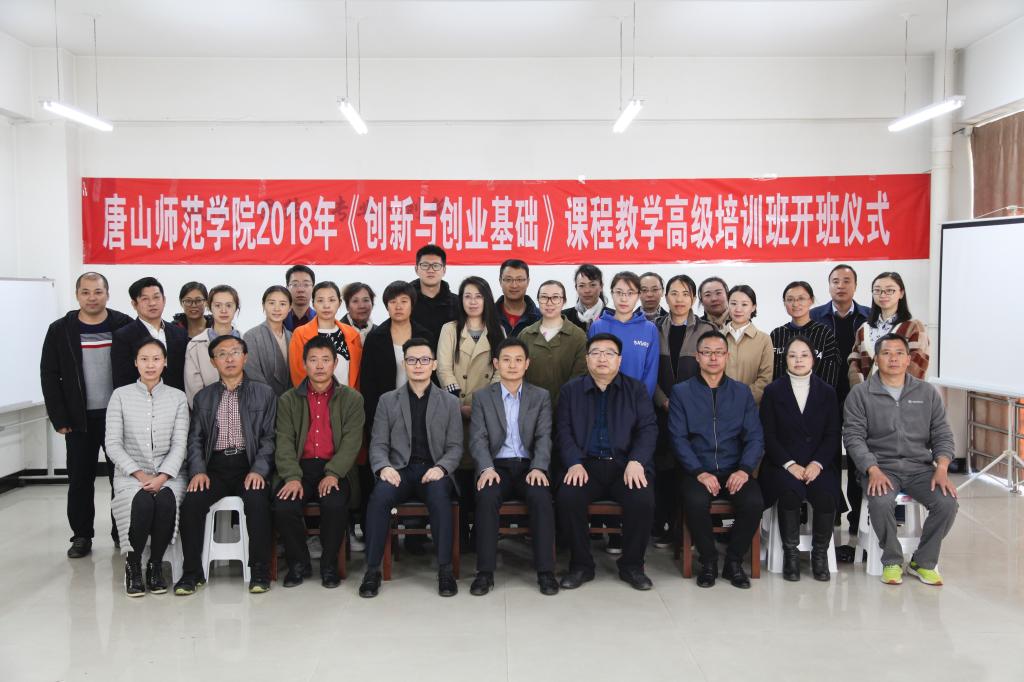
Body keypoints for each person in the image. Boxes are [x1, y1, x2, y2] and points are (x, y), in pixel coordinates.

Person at [843, 333, 958, 586]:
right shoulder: (861, 394)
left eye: (899, 353)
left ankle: (922, 562)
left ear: (908, 359)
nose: (893, 358)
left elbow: (942, 433)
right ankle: (892, 560)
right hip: (880, 467)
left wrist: (942, 467)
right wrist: (871, 469)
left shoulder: (926, 392)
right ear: (876, 359)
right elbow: (853, 437)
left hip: (920, 468)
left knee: (947, 503)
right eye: (886, 353)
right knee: (881, 500)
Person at [359, 338, 463, 598]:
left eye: (424, 360)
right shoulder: (387, 401)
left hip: (433, 469)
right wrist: (383, 467)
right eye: (412, 360)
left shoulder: (450, 402)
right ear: (404, 364)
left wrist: (442, 468)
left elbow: (455, 447)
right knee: (379, 497)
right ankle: (372, 571)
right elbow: (378, 444)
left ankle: (445, 570)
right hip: (399, 470)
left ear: (434, 364)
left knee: (440, 497)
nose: (418, 365)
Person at [174, 335, 277, 596]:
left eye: (235, 352)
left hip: (249, 464)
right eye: (222, 354)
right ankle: (192, 573)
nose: (229, 358)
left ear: (245, 357)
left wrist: (259, 470)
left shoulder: (264, 393)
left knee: (257, 501)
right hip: (215, 467)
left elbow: (270, 437)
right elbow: (195, 439)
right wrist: (198, 471)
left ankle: (260, 571)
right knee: (191, 504)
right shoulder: (204, 397)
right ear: (213, 361)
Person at [40, 272, 133, 558]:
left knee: (121, 478)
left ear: (107, 294)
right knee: (80, 480)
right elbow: (49, 374)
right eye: (86, 292)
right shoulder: (61, 329)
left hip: (117, 417)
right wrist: (59, 417)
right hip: (78, 419)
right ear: (77, 295)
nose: (92, 297)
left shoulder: (123, 325)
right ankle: (81, 535)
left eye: (98, 291)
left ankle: (121, 532)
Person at [555, 333, 658, 591]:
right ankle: (581, 565)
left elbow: (648, 429)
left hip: (625, 465)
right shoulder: (570, 391)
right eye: (596, 353)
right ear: (587, 359)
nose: (602, 358)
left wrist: (637, 461)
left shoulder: (636, 390)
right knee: (568, 497)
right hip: (585, 465)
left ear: (619, 360)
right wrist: (573, 462)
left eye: (609, 353)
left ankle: (632, 565)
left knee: (642, 499)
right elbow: (562, 431)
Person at [670, 330, 765, 589]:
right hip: (697, 470)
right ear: (697, 357)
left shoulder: (741, 392)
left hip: (735, 469)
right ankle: (708, 561)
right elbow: (678, 438)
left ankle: (733, 562)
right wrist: (699, 472)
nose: (713, 358)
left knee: (754, 502)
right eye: (707, 352)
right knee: (695, 501)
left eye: (719, 353)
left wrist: (744, 470)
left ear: (727, 356)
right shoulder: (681, 393)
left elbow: (755, 437)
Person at [469, 338, 558, 596]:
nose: (512, 365)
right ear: (496, 363)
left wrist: (539, 467)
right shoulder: (482, 397)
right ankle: (485, 573)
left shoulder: (540, 396)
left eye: (518, 360)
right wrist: (486, 468)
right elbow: (477, 439)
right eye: (506, 360)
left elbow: (544, 437)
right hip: (496, 466)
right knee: (486, 497)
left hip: (529, 466)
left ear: (527, 364)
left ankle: (546, 572)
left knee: (541, 498)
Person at [274, 336, 365, 588]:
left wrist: (333, 473)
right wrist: (292, 477)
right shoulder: (288, 400)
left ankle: (329, 565)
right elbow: (283, 442)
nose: (320, 365)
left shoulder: (352, 399)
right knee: (283, 506)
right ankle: (299, 563)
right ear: (304, 364)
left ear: (335, 363)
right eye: (313, 360)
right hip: (299, 468)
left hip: (336, 468)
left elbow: (352, 443)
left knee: (334, 505)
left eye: (326, 360)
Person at [104, 338, 189, 596]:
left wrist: (162, 477)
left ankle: (155, 565)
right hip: (131, 475)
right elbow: (113, 444)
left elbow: (180, 444)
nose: (150, 365)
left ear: (165, 362)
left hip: (169, 474)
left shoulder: (177, 397)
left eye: (156, 359)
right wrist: (141, 475)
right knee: (141, 502)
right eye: (144, 359)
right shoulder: (120, 396)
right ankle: (133, 564)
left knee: (165, 501)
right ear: (135, 363)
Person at [759, 336, 844, 582]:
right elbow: (768, 435)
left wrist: (817, 464)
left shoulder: (827, 392)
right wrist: (790, 465)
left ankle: (819, 556)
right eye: (792, 355)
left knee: (827, 496)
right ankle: (791, 555)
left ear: (813, 359)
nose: (798, 360)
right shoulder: (773, 391)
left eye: (804, 355)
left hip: (818, 464)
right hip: (782, 464)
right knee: (789, 494)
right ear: (785, 359)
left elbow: (832, 434)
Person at [357, 281, 431, 548]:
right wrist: (374, 419)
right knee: (386, 472)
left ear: (412, 304)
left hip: (420, 410)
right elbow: (368, 383)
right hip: (386, 414)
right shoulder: (376, 337)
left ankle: (415, 536)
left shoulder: (424, 334)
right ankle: (377, 535)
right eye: (392, 302)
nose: (398, 306)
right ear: (386, 305)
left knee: (418, 465)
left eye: (404, 301)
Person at [437, 276, 505, 530]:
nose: (473, 301)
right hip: (454, 408)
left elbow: (500, 374)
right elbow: (444, 370)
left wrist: (478, 406)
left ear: (486, 299)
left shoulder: (498, 331)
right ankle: (459, 531)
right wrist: (457, 403)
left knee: (483, 465)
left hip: (486, 411)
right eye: (467, 296)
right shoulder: (450, 329)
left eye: (478, 296)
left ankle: (480, 530)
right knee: (458, 468)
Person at [651, 274, 714, 547]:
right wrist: (663, 401)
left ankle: (683, 530)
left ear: (694, 298)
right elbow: (649, 372)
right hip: (661, 411)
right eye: (674, 293)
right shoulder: (654, 328)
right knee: (663, 470)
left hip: (695, 414)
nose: (679, 299)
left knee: (688, 470)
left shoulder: (706, 329)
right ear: (666, 297)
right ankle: (664, 524)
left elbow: (711, 370)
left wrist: (688, 405)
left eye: (685, 294)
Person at [809, 264, 871, 539]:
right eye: (835, 281)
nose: (841, 286)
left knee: (859, 456)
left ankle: (858, 516)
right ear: (829, 285)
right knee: (828, 455)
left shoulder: (869, 317)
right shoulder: (815, 316)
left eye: (846, 281)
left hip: (861, 398)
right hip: (825, 397)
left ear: (855, 286)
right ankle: (830, 511)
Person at [849, 271, 929, 386]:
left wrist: (888, 390)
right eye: (877, 290)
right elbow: (855, 362)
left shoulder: (914, 327)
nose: (882, 295)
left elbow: (916, 364)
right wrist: (860, 390)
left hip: (902, 394)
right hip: (865, 394)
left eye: (890, 290)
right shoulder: (864, 328)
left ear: (901, 293)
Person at [587, 271, 659, 397]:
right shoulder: (597, 327)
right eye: (619, 292)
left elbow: (651, 372)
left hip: (637, 401)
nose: (624, 299)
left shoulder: (649, 329)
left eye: (630, 293)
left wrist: (641, 402)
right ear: (612, 293)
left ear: (638, 295)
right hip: (602, 399)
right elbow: (591, 367)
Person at [519, 280, 588, 410]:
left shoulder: (578, 336)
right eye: (544, 297)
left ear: (564, 301)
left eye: (555, 297)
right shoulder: (526, 335)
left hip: (567, 409)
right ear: (538, 300)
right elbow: (518, 375)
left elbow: (580, 377)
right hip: (531, 409)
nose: (549, 303)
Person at [111, 276, 188, 391]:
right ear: (134, 304)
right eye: (145, 299)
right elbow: (122, 380)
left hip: (176, 399)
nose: (152, 303)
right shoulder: (123, 336)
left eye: (156, 297)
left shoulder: (179, 333)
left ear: (164, 300)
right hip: (140, 399)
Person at [288, 281, 363, 389]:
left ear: (339, 303)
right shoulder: (300, 334)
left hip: (348, 397)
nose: (326, 305)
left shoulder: (352, 334)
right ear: (313, 304)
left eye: (331, 300)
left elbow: (358, 375)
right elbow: (298, 375)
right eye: (320, 300)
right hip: (313, 398)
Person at [768, 281, 840, 390]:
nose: (795, 304)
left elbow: (830, 376)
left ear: (811, 300)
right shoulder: (777, 334)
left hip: (816, 397)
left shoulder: (824, 334)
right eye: (790, 299)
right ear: (784, 303)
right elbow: (770, 373)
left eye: (801, 298)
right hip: (780, 397)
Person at [184, 284, 242, 408]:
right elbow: (194, 392)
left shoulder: (246, 341)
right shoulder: (195, 345)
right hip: (207, 415)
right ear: (209, 307)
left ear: (236, 308)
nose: (223, 310)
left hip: (243, 413)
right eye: (218, 305)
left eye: (229, 305)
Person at [721, 284, 773, 404]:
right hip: (719, 406)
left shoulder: (764, 340)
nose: (738, 309)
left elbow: (765, 379)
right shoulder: (717, 337)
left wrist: (742, 400)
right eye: (733, 303)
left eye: (744, 304)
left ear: (753, 307)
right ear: (727, 305)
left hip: (750, 407)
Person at [242, 285, 293, 397]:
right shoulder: (251, 336)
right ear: (263, 305)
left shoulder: (293, 336)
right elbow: (253, 374)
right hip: (263, 401)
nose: (277, 308)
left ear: (290, 308)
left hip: (291, 402)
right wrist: (271, 399)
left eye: (282, 304)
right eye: (271, 303)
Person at [410, 244, 460, 347]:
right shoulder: (407, 301)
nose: (430, 270)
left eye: (436, 265)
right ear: (416, 269)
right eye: (425, 265)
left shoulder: (458, 303)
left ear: (444, 270)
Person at [496, 258, 541, 337]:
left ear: (528, 282)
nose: (514, 285)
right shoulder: (488, 316)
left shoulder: (540, 317)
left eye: (519, 279)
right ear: (500, 281)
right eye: (508, 279)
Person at [563, 263, 605, 331]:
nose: (587, 290)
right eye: (582, 285)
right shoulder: (564, 317)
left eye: (592, 285)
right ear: (576, 288)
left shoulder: (613, 317)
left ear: (601, 287)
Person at [283, 265, 316, 332]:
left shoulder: (320, 320)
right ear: (287, 288)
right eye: (295, 284)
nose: (300, 290)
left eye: (306, 284)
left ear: (313, 288)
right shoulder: (279, 319)